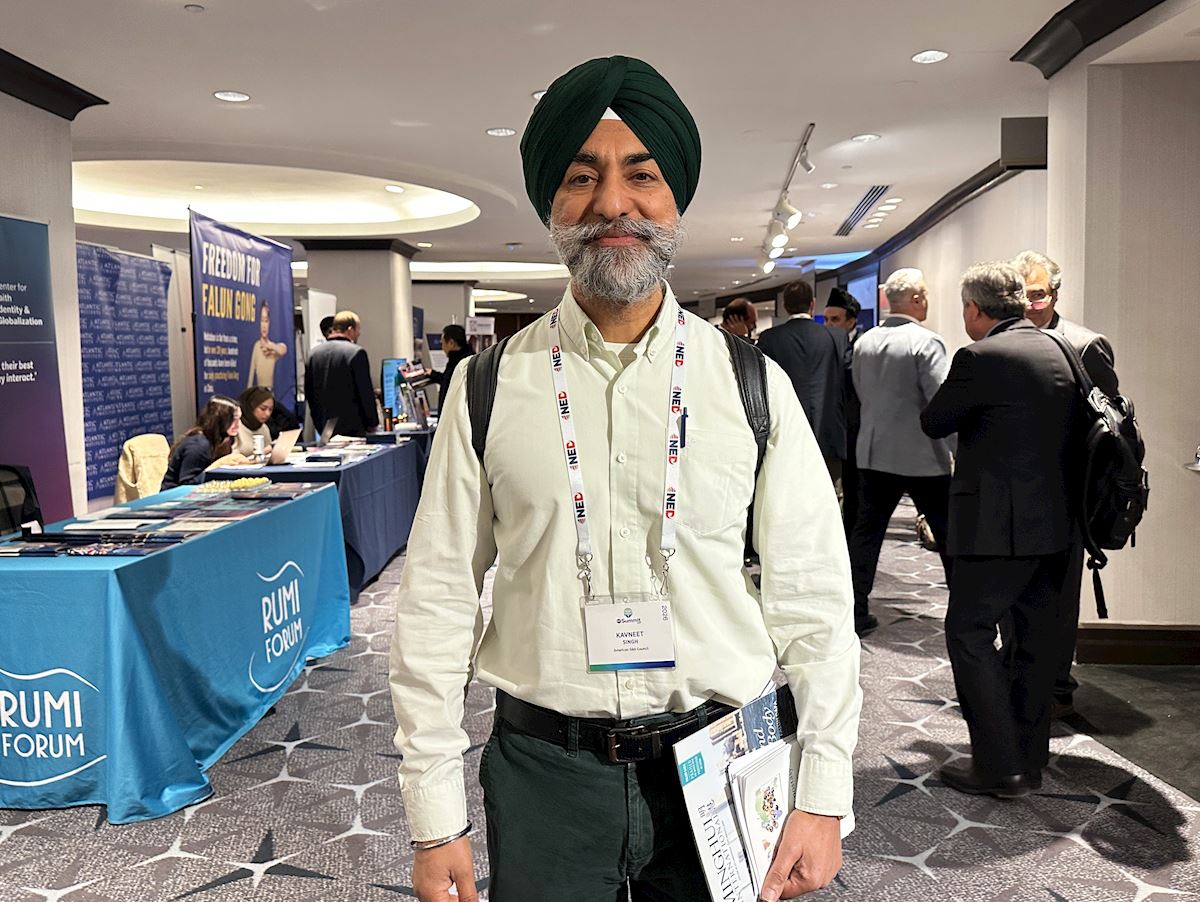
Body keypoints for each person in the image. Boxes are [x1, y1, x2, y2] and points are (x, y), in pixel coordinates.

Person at [389, 55, 860, 902]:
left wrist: (822, 793)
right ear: (551, 203)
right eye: (582, 177)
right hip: (546, 780)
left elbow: (814, 600)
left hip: (725, 764)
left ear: (675, 198)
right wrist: (434, 814)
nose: (613, 203)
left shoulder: (751, 384)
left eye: (641, 175)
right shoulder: (488, 386)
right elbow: (437, 603)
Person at [921, 262, 1080, 799]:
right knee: (1034, 642)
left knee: (969, 634)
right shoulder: (1060, 349)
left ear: (974, 308)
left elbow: (934, 420)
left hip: (994, 527)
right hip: (1057, 525)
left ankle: (998, 764)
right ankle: (1029, 759)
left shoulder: (979, 357)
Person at [1012, 249, 1120, 718]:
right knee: (1011, 592)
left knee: (1058, 594)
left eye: (1037, 294)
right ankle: (1017, 675)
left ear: (1055, 294)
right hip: (1012, 488)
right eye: (1021, 294)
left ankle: (1056, 686)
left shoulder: (1084, 344)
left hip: (1065, 491)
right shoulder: (1004, 342)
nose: (1029, 304)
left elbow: (1110, 422)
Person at [847, 268, 953, 636]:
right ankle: (965, 611)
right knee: (949, 536)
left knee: (866, 535)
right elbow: (939, 403)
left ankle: (855, 609)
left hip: (874, 453)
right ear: (917, 299)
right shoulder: (927, 343)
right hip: (922, 456)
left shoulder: (865, 342)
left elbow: (862, 393)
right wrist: (958, 449)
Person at [756, 279, 847, 483]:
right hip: (829, 433)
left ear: (785, 306)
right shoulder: (837, 337)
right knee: (826, 492)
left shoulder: (770, 338)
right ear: (812, 303)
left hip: (785, 432)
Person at [303, 310, 379, 437]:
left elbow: (310, 394)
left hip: (324, 429)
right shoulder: (356, 353)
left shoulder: (313, 354)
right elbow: (365, 393)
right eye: (358, 329)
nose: (359, 333)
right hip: (353, 429)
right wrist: (372, 424)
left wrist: (319, 425)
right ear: (350, 329)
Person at [824, 287, 862, 536]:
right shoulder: (827, 346)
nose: (829, 325)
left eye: (835, 320)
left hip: (858, 430)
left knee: (856, 493)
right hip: (836, 429)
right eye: (826, 319)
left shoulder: (862, 347)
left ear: (851, 322)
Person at [161, 396, 246, 489]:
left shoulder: (225, 439)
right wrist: (217, 466)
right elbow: (187, 484)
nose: (238, 424)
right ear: (219, 419)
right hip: (174, 493)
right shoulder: (198, 445)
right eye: (234, 419)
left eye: (239, 419)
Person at [246, 301, 289, 390]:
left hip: (270, 392)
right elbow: (251, 376)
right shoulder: (257, 346)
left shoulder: (273, 349)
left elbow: (283, 350)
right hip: (259, 392)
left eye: (266, 321)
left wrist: (270, 347)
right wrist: (247, 394)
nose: (264, 326)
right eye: (262, 321)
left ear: (269, 323)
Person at [431, 323, 474, 400]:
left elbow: (449, 385)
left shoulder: (461, 364)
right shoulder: (464, 359)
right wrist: (432, 373)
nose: (442, 347)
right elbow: (448, 380)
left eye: (443, 343)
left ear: (451, 343)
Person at [234, 386, 274, 458]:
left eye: (270, 409)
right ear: (251, 407)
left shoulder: (263, 428)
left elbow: (269, 455)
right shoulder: (235, 427)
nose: (267, 414)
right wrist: (263, 452)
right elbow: (231, 459)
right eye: (263, 409)